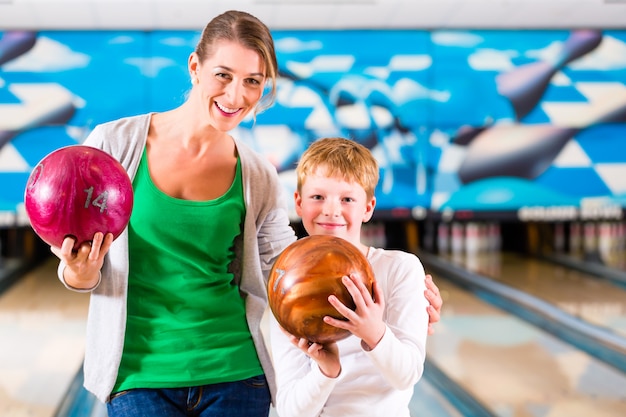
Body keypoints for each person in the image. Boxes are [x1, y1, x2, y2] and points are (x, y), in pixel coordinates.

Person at [49, 10, 443, 417]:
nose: (236, 95)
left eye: (252, 81)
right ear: (195, 67)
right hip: (139, 375)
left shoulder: (257, 174)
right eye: (223, 75)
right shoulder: (114, 145)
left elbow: (287, 268)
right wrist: (77, 275)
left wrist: (401, 298)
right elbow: (76, 243)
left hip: (237, 374)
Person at [270, 137, 430, 417]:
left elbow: (406, 375)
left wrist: (374, 333)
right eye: (318, 197)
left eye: (347, 199)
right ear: (298, 202)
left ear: (368, 208)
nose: (331, 210)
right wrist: (325, 371)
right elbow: (289, 410)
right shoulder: (286, 281)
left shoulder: (401, 269)